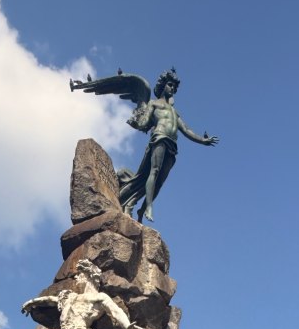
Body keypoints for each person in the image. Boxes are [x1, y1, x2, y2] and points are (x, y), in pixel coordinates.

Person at [71, 69, 219, 223]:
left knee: (159, 182)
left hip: (172, 145)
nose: (173, 89)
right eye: (170, 85)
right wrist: (136, 120)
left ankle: (138, 205)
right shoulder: (153, 104)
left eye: (175, 87)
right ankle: (148, 207)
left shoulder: (175, 112)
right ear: (163, 86)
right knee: (154, 172)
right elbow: (145, 123)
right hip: (159, 138)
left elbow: (186, 130)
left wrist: (203, 140)